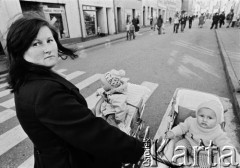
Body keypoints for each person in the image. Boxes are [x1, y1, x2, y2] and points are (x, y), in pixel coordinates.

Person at [6, 12, 144, 168]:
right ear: (20, 49)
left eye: (49, 40)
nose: (47, 49)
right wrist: (139, 150)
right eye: (36, 44)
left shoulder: (24, 80)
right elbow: (93, 133)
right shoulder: (46, 92)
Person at [165, 100, 239, 167]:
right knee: (179, 145)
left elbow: (226, 146)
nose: (204, 120)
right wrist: (173, 132)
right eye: (201, 116)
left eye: (210, 118)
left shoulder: (218, 132)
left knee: (205, 164)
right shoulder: (191, 121)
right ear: (197, 115)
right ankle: (184, 163)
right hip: (189, 143)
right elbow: (181, 128)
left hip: (204, 152)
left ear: (217, 120)